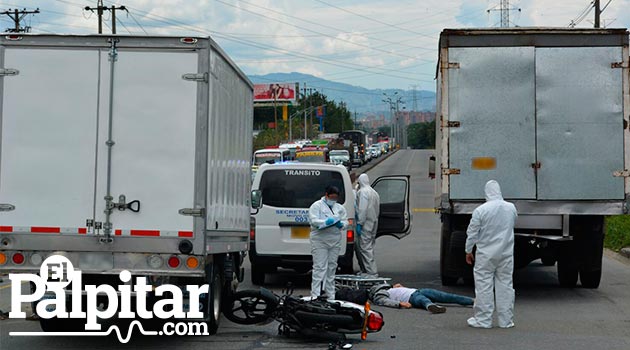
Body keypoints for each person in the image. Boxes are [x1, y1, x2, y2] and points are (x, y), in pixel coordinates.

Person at [465, 180, 518, 329]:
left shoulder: (481, 210)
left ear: (486, 193)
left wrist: (468, 250)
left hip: (485, 254)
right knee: (506, 285)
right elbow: (513, 223)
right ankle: (506, 321)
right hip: (506, 254)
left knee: (483, 286)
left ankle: (483, 320)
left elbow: (472, 233)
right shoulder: (511, 208)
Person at [308, 185, 348, 299]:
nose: (333, 200)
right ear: (326, 195)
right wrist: (326, 222)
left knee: (332, 267)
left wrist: (341, 224)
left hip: (334, 240)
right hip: (320, 240)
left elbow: (345, 222)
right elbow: (313, 221)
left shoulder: (339, 208)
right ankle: (315, 295)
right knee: (319, 268)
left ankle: (331, 295)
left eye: (336, 198)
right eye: (332, 197)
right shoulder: (316, 206)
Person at [369, 283, 473, 313]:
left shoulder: (389, 289)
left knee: (446, 296)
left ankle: (472, 301)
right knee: (422, 300)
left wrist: (396, 286)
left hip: (417, 290)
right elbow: (385, 301)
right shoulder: (379, 294)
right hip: (410, 297)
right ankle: (431, 306)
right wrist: (400, 304)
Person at [355, 173, 380, 278]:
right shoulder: (374, 192)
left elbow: (362, 209)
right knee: (370, 246)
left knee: (365, 248)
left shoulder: (363, 192)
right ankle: (367, 270)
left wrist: (360, 223)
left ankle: (371, 272)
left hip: (365, 223)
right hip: (374, 221)